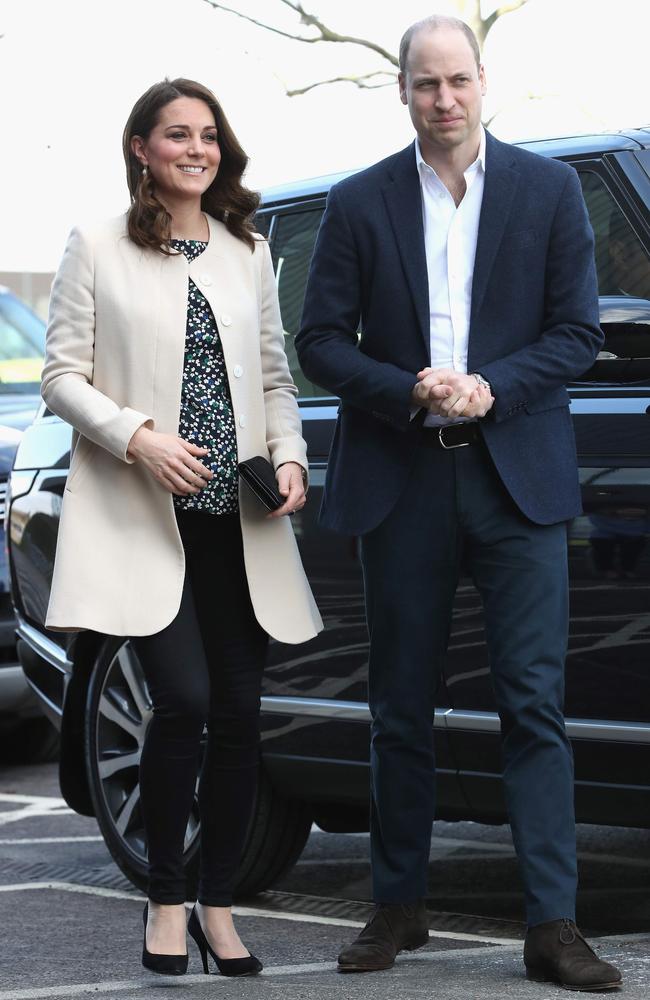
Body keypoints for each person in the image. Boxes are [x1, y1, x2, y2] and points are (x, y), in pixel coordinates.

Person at [296, 16, 622, 992]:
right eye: (424, 84)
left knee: (533, 703)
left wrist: (492, 385)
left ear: (484, 83)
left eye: (457, 82)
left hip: (512, 477)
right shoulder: (358, 204)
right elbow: (319, 339)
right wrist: (408, 385)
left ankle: (551, 927)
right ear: (401, 92)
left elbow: (574, 333)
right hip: (400, 478)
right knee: (397, 705)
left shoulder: (548, 190)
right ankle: (396, 907)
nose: (443, 100)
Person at [42, 78, 322, 978]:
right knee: (186, 703)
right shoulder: (98, 245)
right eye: (176, 136)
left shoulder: (247, 250)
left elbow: (275, 381)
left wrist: (290, 458)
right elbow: (60, 377)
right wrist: (137, 438)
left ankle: (219, 904)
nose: (195, 150)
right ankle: (167, 900)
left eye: (208, 136)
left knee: (240, 715)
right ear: (141, 149)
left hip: (238, 521)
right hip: (142, 516)